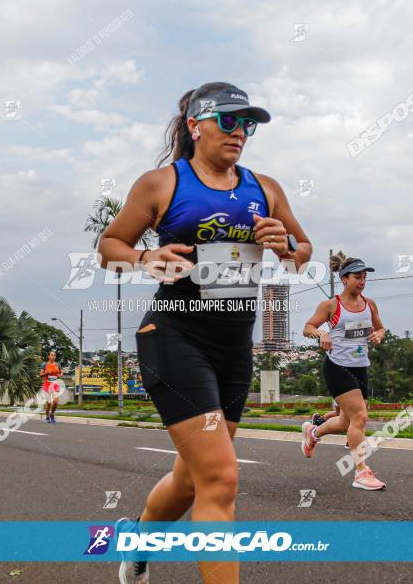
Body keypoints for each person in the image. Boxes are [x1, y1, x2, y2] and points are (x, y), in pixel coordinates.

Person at [98, 82, 311, 584]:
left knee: (193, 479)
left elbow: (303, 251)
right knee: (221, 477)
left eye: (249, 124)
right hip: (173, 337)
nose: (241, 133)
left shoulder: (266, 188)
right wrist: (145, 257)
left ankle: (135, 542)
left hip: (235, 346)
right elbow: (109, 245)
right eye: (230, 121)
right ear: (197, 125)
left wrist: (287, 246)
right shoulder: (162, 184)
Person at [300, 253, 387, 491]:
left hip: (361, 367)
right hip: (337, 366)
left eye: (364, 277)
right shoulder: (331, 305)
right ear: (344, 279)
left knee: (344, 422)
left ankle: (313, 432)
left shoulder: (370, 304)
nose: (362, 281)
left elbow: (380, 328)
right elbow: (308, 328)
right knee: (360, 417)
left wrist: (379, 334)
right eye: (357, 277)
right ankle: (361, 473)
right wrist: (322, 334)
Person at [40, 352, 62, 423]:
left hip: (55, 385)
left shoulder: (58, 365)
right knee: (49, 402)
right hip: (47, 385)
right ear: (49, 356)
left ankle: (51, 414)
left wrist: (60, 375)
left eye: (54, 355)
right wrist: (46, 373)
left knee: (56, 402)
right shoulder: (45, 364)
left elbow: (61, 373)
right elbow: (40, 375)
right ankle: (47, 416)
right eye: (52, 355)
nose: (53, 356)